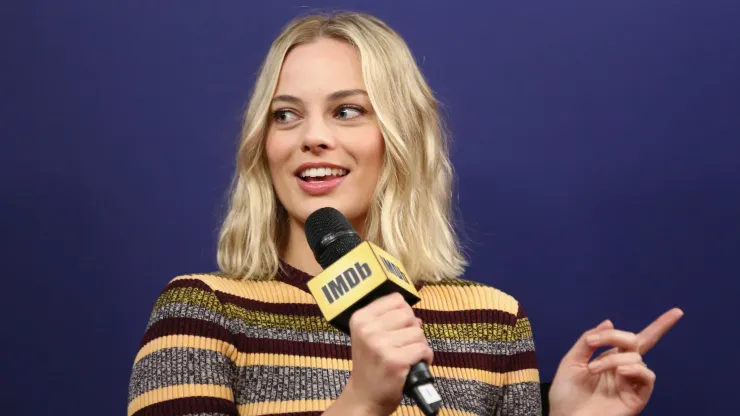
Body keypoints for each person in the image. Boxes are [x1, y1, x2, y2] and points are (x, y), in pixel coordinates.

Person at [127, 11, 683, 416]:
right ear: (261, 143)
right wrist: (361, 402)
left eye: (347, 111)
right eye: (286, 115)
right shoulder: (203, 313)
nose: (313, 137)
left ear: (400, 138)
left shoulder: (494, 324)